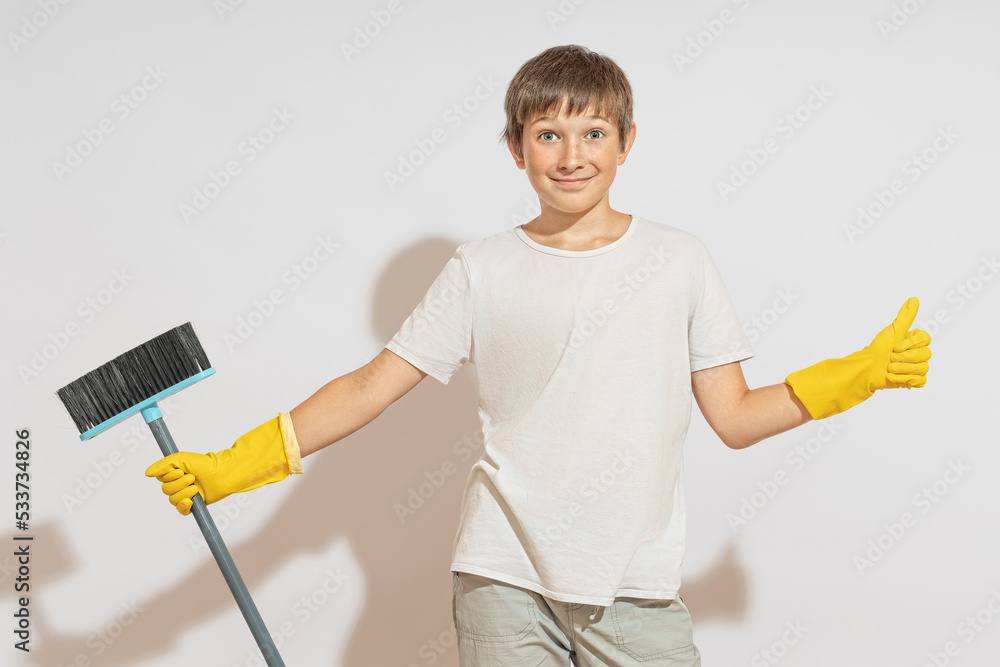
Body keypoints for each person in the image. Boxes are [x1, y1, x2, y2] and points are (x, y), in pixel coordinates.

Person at [146, 45, 931, 666]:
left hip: (634, 579)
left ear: (627, 143)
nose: (571, 153)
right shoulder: (481, 268)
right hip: (503, 575)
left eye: (593, 132)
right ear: (516, 149)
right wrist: (233, 464)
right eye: (547, 133)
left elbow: (734, 415)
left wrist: (855, 375)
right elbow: (369, 387)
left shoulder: (679, 259)